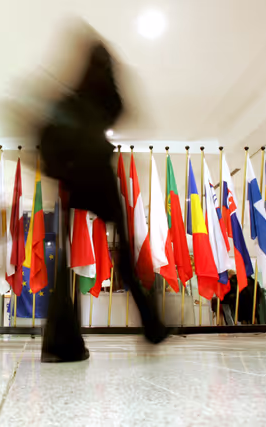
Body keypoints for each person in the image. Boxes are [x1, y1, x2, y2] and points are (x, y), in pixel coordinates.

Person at [37, 28, 167, 363]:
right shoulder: (103, 96)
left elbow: (46, 140)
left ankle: (58, 343)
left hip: (73, 180)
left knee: (63, 264)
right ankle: (151, 324)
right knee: (124, 252)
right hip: (101, 177)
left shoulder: (67, 100)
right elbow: (121, 110)